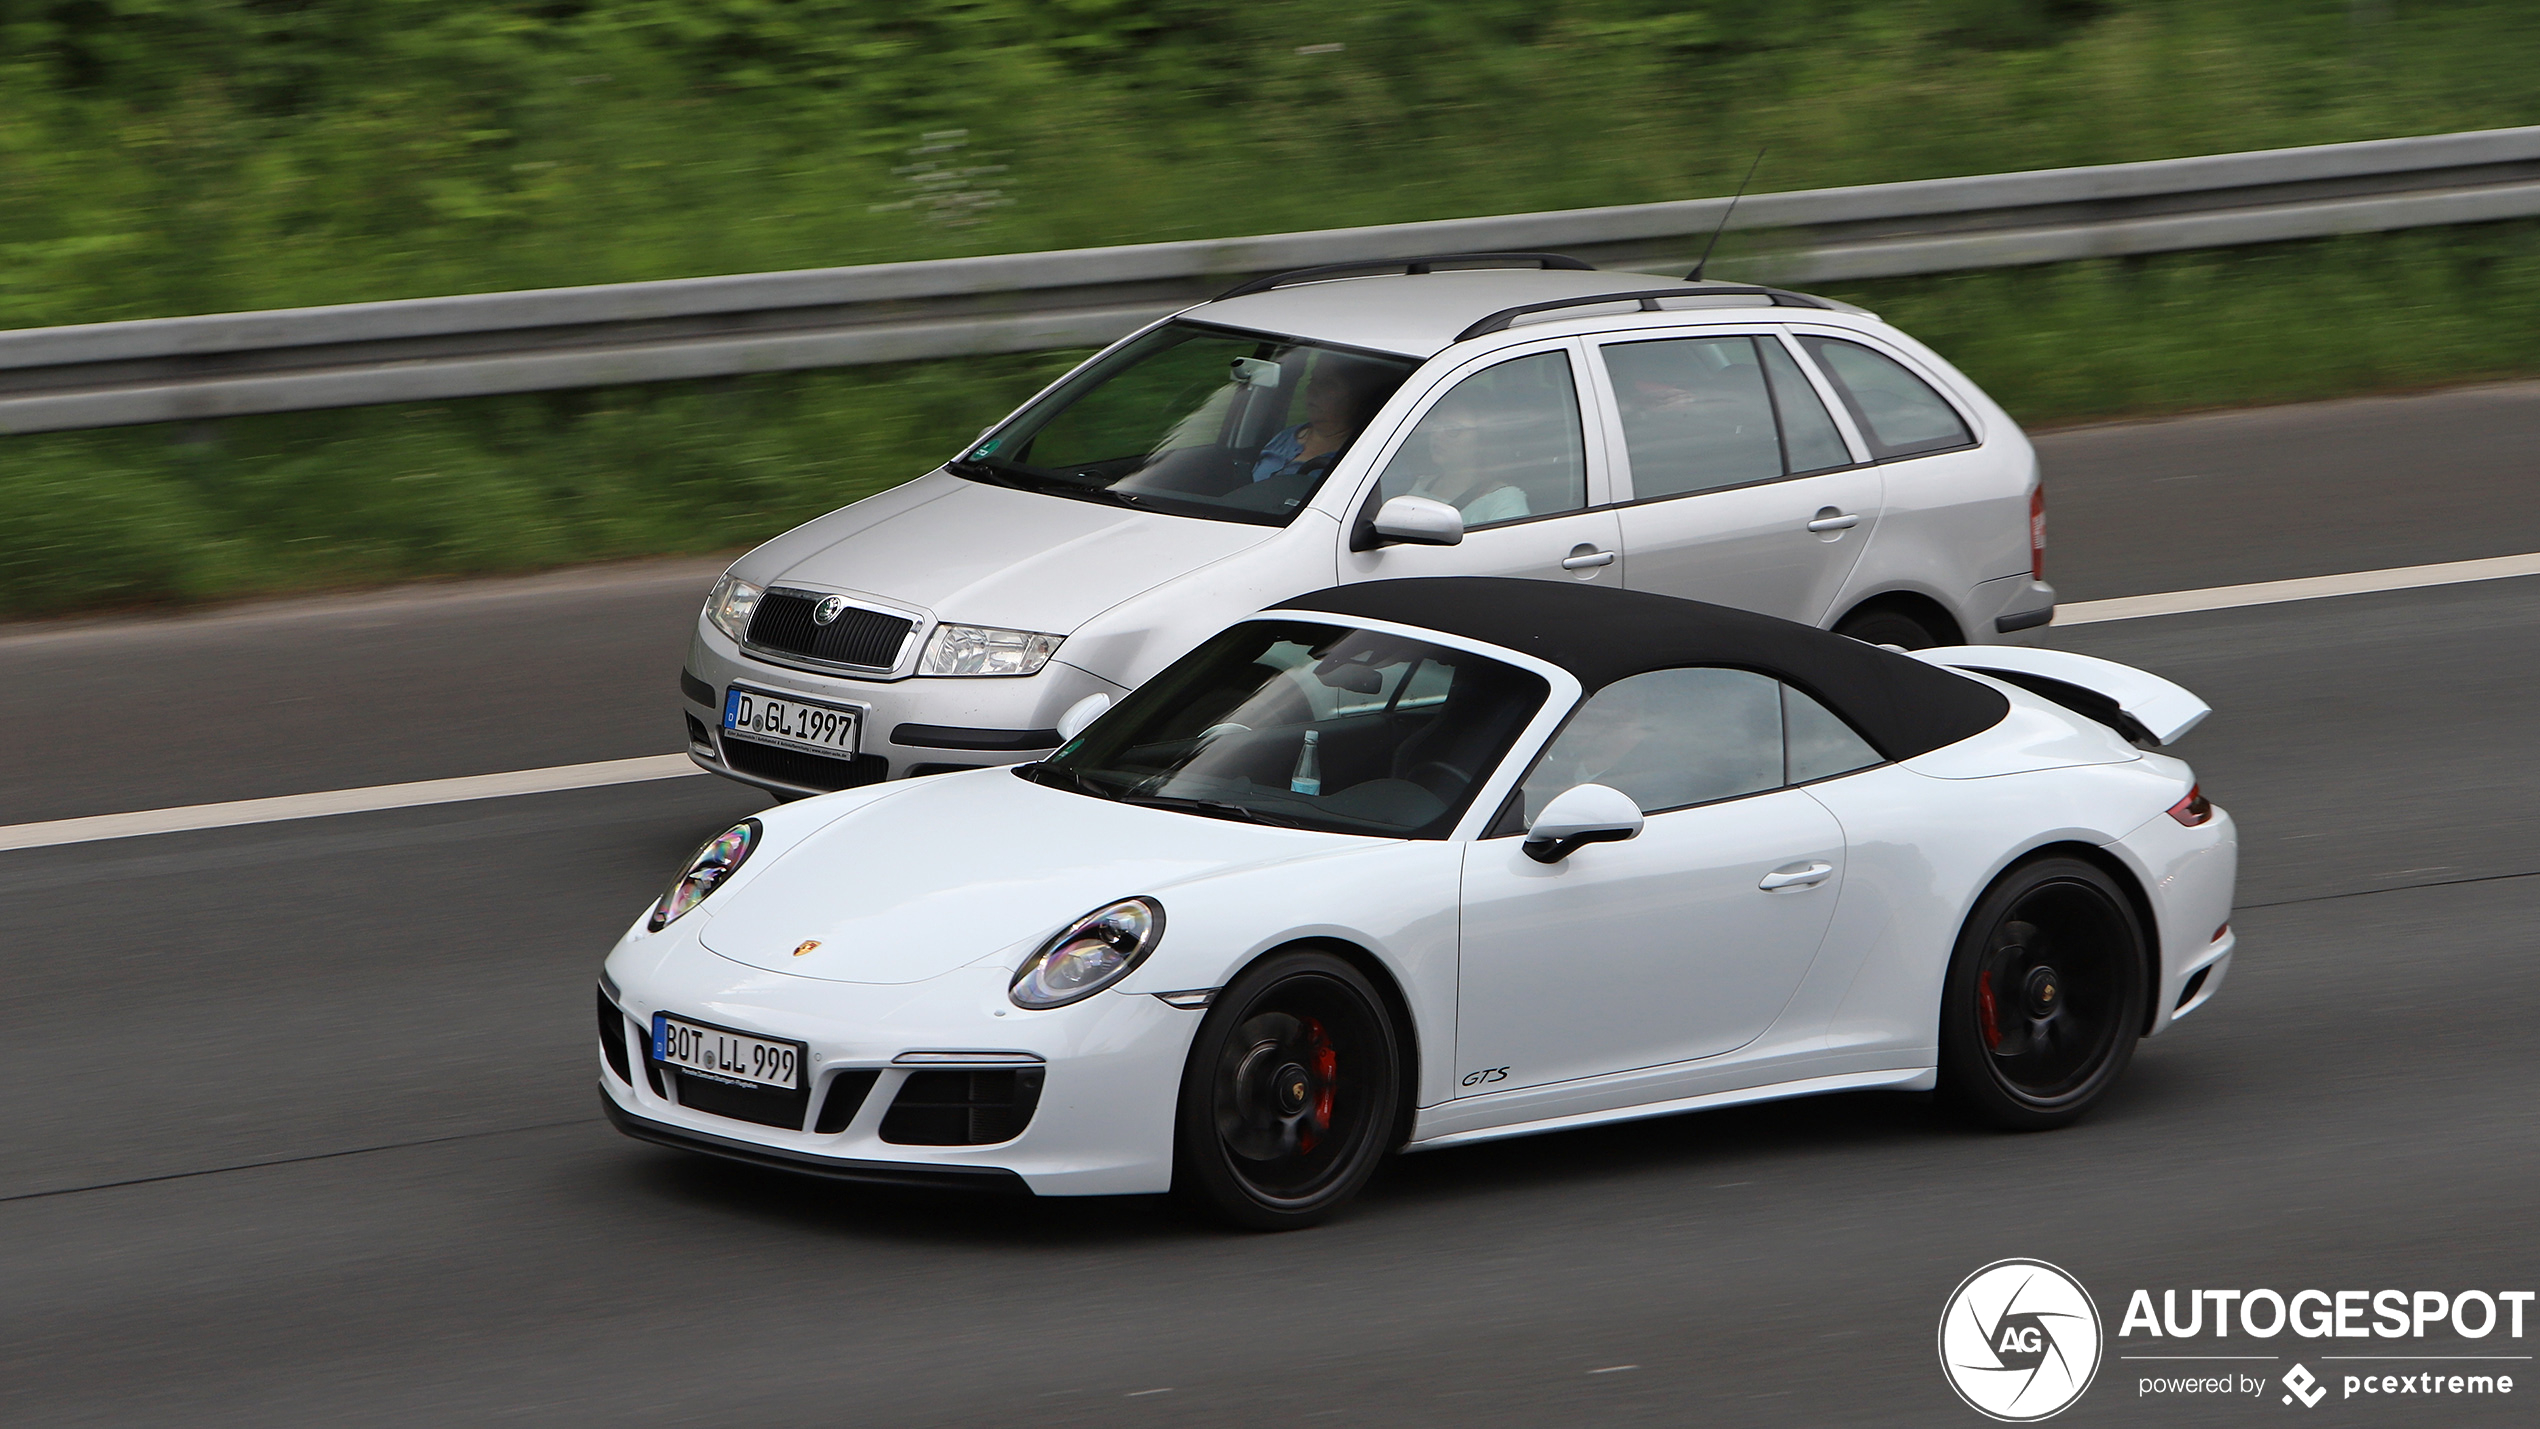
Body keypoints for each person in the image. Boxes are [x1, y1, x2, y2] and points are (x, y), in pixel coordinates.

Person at [1252, 359, 1387, 483]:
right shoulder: (1285, 437)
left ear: (1356, 398)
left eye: (1328, 384)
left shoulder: (1356, 457)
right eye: (1312, 380)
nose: (1313, 389)